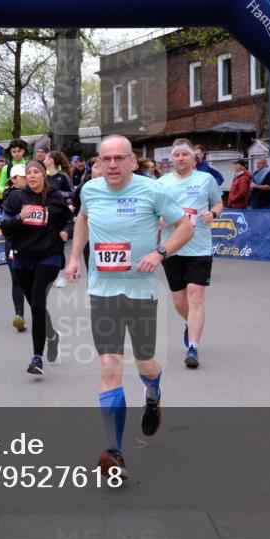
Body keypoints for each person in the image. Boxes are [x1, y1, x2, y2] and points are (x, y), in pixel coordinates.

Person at [65, 135, 194, 478]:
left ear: (133, 162)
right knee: (110, 365)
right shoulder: (90, 190)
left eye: (119, 158)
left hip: (140, 291)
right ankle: (114, 450)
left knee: (145, 361)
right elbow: (83, 219)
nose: (112, 165)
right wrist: (76, 256)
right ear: (98, 162)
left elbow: (185, 226)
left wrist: (160, 252)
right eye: (106, 158)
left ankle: (153, 393)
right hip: (102, 291)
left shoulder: (152, 191)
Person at [0, 160, 72, 375]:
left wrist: (66, 231)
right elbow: (4, 227)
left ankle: (36, 358)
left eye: (35, 172)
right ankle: (52, 335)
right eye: (28, 173)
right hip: (23, 257)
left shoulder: (56, 198)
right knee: (36, 306)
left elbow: (70, 220)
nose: (31, 176)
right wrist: (19, 218)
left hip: (48, 256)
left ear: (43, 176)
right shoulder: (17, 197)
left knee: (38, 302)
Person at [157, 138, 224, 369]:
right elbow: (154, 211)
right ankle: (190, 323)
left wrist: (212, 215)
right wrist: (161, 219)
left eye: (185, 154)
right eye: (176, 155)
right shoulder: (162, 183)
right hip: (172, 246)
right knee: (179, 299)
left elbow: (218, 204)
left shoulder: (206, 180)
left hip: (200, 246)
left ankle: (193, 347)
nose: (180, 158)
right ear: (172, 159)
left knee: (196, 295)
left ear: (193, 159)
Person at [2, 165, 29, 332]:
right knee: (17, 278)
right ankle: (19, 315)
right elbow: (4, 223)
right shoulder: (11, 196)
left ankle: (38, 312)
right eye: (23, 176)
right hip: (14, 244)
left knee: (33, 281)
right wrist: (18, 219)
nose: (27, 178)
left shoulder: (39, 194)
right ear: (13, 179)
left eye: (30, 175)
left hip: (35, 244)